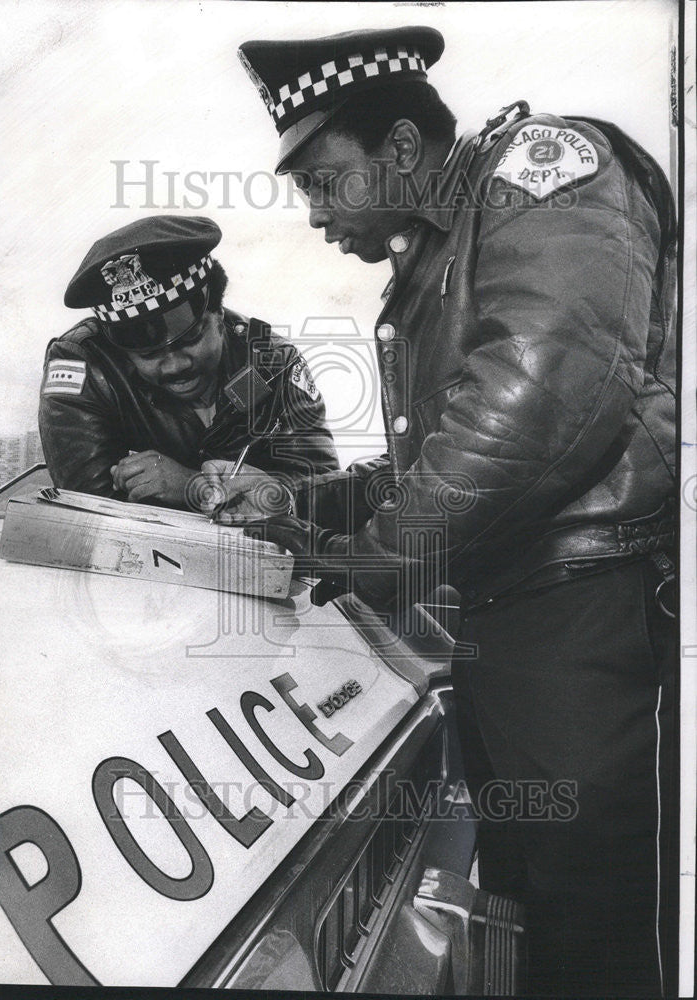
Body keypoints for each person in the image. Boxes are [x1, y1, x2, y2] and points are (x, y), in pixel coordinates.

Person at [203, 25, 678, 996]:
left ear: (404, 148)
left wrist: (379, 557)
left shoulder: (542, 170)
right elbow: (441, 463)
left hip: (580, 607)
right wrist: (300, 503)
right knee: (526, 904)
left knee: (593, 920)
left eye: (324, 181)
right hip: (514, 616)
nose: (315, 213)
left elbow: (542, 396)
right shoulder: (442, 250)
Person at [39, 215, 339, 508]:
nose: (174, 366)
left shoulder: (271, 363)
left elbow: (323, 494)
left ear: (219, 313)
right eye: (148, 354)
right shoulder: (85, 363)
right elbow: (89, 511)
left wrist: (195, 488)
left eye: (189, 339)